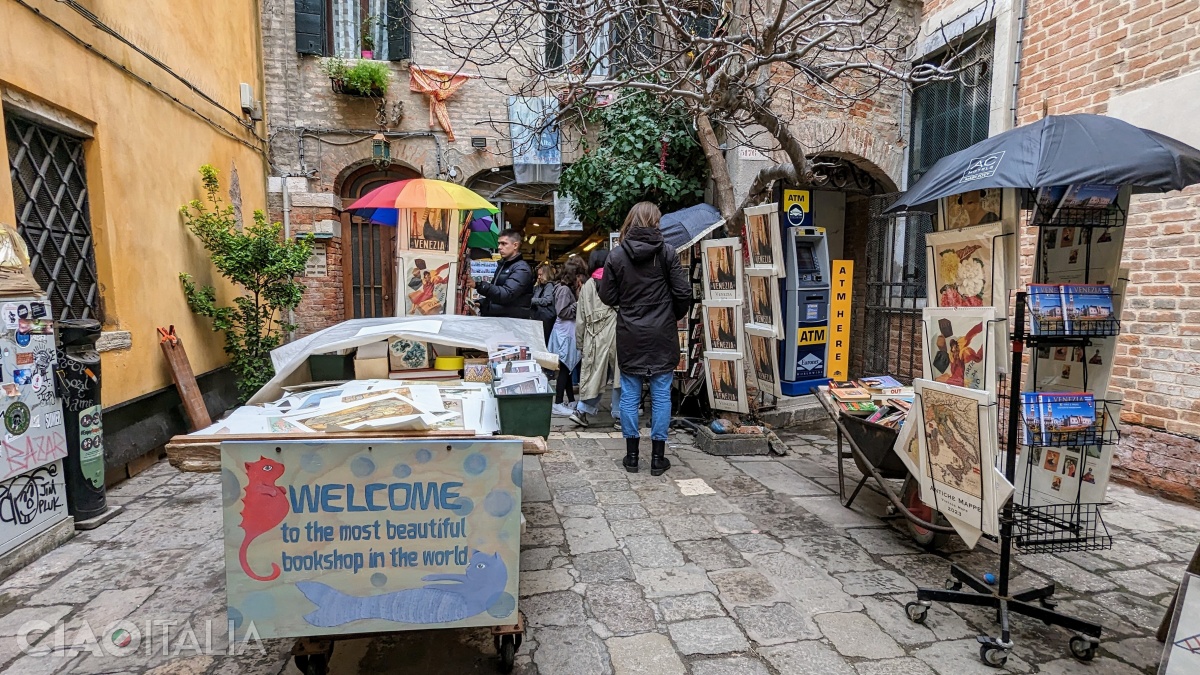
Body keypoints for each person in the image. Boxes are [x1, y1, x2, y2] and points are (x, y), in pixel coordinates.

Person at [599, 202, 691, 476]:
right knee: (662, 394)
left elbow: (607, 296)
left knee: (629, 394)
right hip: (662, 332)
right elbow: (683, 292)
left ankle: (631, 456)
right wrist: (671, 314)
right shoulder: (667, 253)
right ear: (655, 223)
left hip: (630, 332)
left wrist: (627, 304)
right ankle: (658, 458)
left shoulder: (616, 256)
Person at [571, 250, 620, 428]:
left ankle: (582, 410)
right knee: (620, 376)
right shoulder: (616, 281)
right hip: (616, 333)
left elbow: (580, 319)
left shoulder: (587, 286)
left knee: (594, 375)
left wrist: (580, 343)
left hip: (593, 336)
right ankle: (621, 416)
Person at [467, 229, 533, 319]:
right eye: (499, 243)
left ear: (515, 245)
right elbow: (496, 296)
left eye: (504, 243)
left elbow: (506, 294)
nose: (499, 247)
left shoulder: (522, 269)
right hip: (501, 319)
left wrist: (478, 285)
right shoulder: (503, 265)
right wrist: (482, 303)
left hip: (512, 323)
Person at [549, 257, 585, 417]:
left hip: (566, 333)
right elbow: (562, 312)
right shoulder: (564, 290)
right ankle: (557, 402)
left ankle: (570, 400)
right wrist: (579, 304)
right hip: (564, 334)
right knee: (564, 368)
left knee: (568, 368)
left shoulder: (564, 288)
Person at [529, 262, 559, 343]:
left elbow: (547, 300)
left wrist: (532, 301)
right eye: (538, 275)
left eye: (541, 275)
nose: (539, 277)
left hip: (544, 320)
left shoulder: (549, 285)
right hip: (540, 319)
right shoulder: (540, 285)